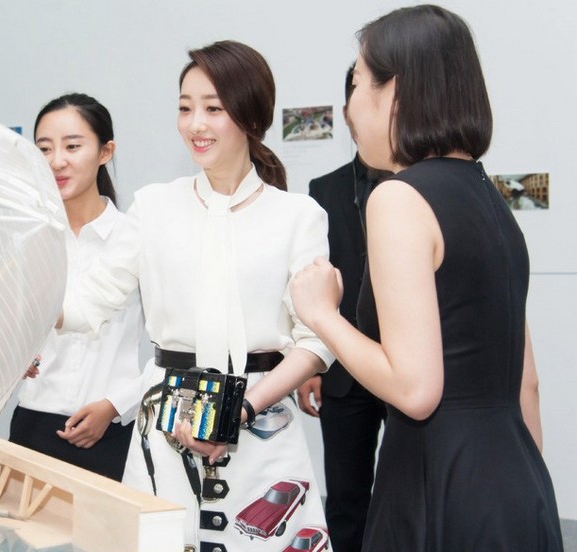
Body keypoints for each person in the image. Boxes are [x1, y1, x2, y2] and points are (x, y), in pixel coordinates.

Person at [291, 5, 563, 551]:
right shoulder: (491, 198)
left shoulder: (399, 197)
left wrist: (321, 315)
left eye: (359, 83)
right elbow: (526, 384)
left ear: (395, 92)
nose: (351, 106)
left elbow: (415, 390)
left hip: (437, 485)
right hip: (517, 485)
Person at [60, 40, 332, 551]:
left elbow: (316, 341)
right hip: (166, 420)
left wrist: (242, 411)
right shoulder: (154, 207)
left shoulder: (298, 216)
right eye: (185, 108)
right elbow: (85, 303)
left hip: (261, 423)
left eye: (213, 108)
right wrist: (11, 294)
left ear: (251, 115)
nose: (195, 124)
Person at [9, 93, 144, 482]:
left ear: (105, 152)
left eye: (72, 146)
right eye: (44, 149)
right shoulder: (29, 239)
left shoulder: (134, 238)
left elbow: (172, 348)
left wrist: (116, 404)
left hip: (112, 428)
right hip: (33, 423)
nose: (56, 161)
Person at [295, 63, 387, 552]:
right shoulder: (324, 190)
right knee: (346, 495)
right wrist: (311, 363)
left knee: (406, 493)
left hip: (406, 365)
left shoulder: (419, 186)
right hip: (343, 369)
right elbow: (310, 278)